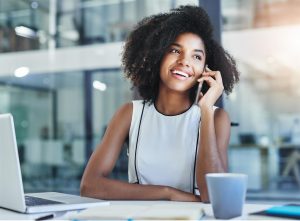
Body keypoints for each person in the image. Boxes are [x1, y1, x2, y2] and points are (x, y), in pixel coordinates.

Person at [80, 5, 239, 202]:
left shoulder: (216, 118)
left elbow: (213, 196)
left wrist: (205, 110)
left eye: (196, 56)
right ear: (158, 55)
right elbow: (90, 186)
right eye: (175, 50)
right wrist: (168, 193)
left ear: (205, 69)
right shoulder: (130, 113)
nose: (184, 61)